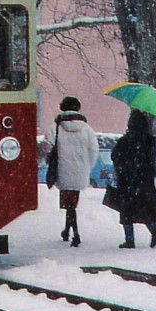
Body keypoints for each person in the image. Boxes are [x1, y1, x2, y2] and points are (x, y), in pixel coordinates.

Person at [49, 96, 100, 247]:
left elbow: (46, 146)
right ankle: (67, 231)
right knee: (72, 204)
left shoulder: (56, 127)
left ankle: (75, 234)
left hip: (62, 170)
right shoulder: (87, 129)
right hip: (80, 172)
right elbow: (94, 150)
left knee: (69, 205)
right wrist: (86, 166)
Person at [111, 109, 156, 248]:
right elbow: (151, 159)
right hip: (144, 181)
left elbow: (115, 157)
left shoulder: (125, 141)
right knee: (145, 209)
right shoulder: (150, 141)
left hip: (127, 180)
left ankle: (129, 240)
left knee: (127, 212)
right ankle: (154, 229)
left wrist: (123, 168)